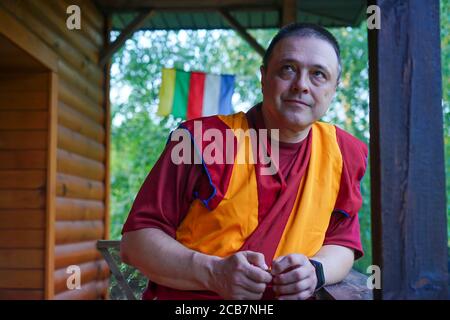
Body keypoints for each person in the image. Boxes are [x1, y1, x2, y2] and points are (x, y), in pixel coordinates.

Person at [120, 23, 368, 300]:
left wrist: (315, 271)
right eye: (287, 69)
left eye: (318, 74)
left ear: (333, 89)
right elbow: (135, 242)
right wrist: (214, 272)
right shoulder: (203, 140)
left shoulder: (341, 152)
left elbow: (342, 242)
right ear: (263, 77)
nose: (301, 85)